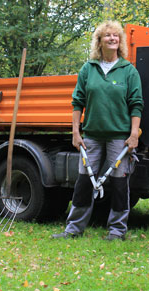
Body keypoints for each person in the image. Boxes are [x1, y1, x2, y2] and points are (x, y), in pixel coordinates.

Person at [52, 20, 143, 241]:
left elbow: (136, 104)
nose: (113, 39)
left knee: (120, 183)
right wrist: (76, 132)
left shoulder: (128, 71)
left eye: (116, 36)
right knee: (84, 181)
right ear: (99, 41)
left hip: (119, 138)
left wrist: (133, 134)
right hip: (91, 136)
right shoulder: (88, 69)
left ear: (119, 42)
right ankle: (73, 229)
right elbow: (77, 102)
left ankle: (117, 230)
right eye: (108, 35)